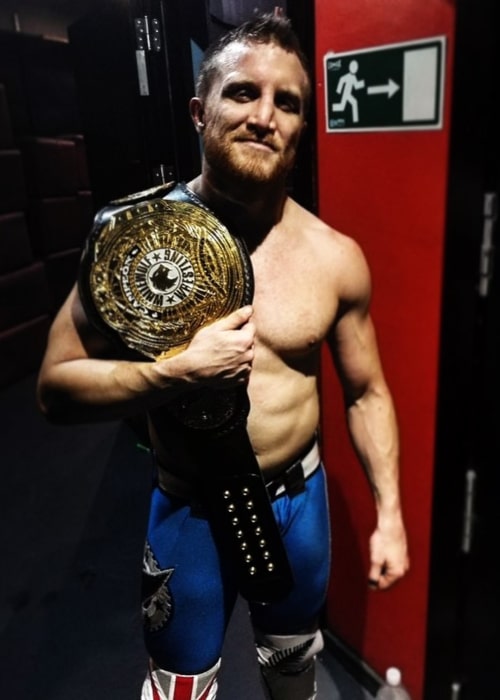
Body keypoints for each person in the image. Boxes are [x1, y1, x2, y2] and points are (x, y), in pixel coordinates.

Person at [37, 13, 409, 700]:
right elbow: (55, 388)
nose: (265, 116)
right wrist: (171, 372)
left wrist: (389, 515)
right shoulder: (129, 242)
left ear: (302, 127)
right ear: (199, 109)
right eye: (243, 92)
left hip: (300, 507)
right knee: (180, 688)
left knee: (293, 663)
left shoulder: (335, 258)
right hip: (190, 511)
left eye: (287, 102)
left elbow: (367, 393)